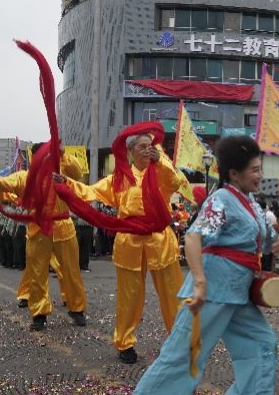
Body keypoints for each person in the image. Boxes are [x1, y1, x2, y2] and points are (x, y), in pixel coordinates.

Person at [110, 136, 279, 395]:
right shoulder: (220, 199)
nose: (259, 175)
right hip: (214, 291)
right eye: (254, 170)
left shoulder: (251, 203)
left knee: (263, 344)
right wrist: (200, 283)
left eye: (260, 169)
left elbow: (262, 242)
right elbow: (193, 238)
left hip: (239, 293)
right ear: (233, 174)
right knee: (185, 357)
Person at [55, 129, 186, 363]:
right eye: (142, 146)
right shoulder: (120, 178)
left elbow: (175, 182)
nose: (147, 150)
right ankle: (125, 343)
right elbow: (91, 190)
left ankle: (182, 342)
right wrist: (67, 183)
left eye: (150, 145)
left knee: (173, 293)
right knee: (128, 296)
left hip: (160, 238)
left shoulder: (161, 170)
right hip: (129, 240)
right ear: (130, 151)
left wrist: (162, 163)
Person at [0, 143, 88, 330]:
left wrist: (64, 155)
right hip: (38, 229)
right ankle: (39, 313)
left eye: (51, 154)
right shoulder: (26, 178)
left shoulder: (61, 174)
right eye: (45, 155)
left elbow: (78, 173)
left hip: (63, 227)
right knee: (37, 273)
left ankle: (77, 308)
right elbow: (0, 183)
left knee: (71, 270)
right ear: (36, 158)